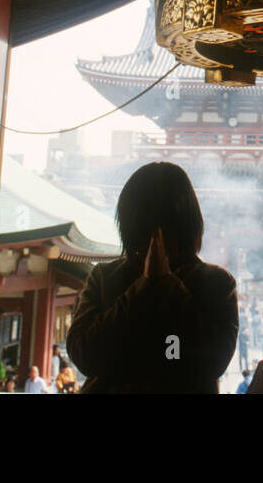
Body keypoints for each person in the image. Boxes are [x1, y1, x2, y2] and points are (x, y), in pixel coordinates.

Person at [67, 161, 237, 393]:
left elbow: (214, 361)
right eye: (146, 232)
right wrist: (144, 288)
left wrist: (166, 285)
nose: (156, 241)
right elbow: (85, 356)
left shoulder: (217, 283)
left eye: (169, 231)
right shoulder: (105, 277)